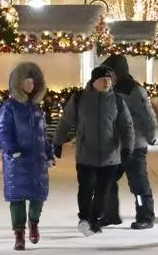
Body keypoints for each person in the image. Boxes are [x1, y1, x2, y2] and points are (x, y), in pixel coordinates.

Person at [53, 65, 135, 236]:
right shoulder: (79, 99)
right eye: (102, 79)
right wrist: (57, 142)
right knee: (86, 187)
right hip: (86, 154)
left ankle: (94, 218)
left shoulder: (117, 101)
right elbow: (66, 121)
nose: (106, 82)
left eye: (109, 79)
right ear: (93, 81)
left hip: (110, 156)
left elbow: (127, 126)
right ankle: (84, 218)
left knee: (102, 193)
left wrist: (128, 148)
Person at [0, 62, 55, 251]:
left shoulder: (36, 108)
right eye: (27, 82)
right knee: (17, 198)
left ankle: (34, 223)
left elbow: (42, 135)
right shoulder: (9, 107)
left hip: (37, 160)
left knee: (38, 196)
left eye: (33, 82)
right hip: (17, 161)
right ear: (18, 84)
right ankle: (19, 233)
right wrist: (12, 149)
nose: (31, 85)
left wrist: (49, 153)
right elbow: (2, 131)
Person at [100, 55, 158, 230]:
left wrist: (151, 136)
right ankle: (110, 214)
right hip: (113, 146)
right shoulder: (108, 89)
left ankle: (145, 216)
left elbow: (148, 116)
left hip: (134, 146)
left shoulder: (135, 91)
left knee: (138, 184)